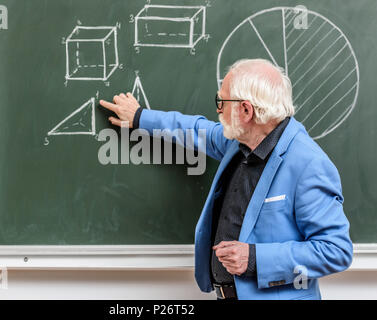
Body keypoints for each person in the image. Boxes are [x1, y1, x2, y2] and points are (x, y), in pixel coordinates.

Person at [99, 59, 353, 300]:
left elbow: (336, 250)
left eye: (222, 102)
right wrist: (140, 116)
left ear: (245, 110)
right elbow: (195, 130)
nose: (218, 109)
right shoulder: (239, 142)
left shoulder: (308, 164)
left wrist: (254, 258)